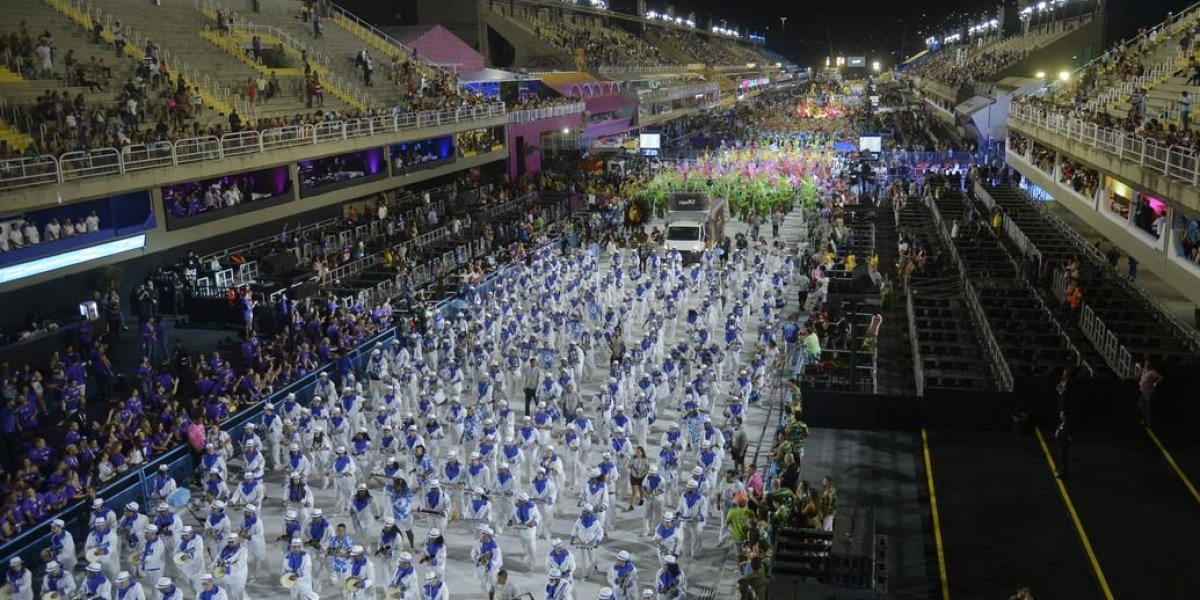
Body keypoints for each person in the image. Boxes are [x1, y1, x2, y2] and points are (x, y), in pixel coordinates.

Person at [471, 527, 503, 600]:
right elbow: (473, 554)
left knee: (493, 584)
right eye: (482, 536)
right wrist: (479, 558)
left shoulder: (495, 547)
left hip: (492, 570)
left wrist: (490, 563)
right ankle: (486, 595)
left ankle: (493, 597)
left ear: (489, 537)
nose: (482, 538)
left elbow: (499, 560)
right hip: (482, 568)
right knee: (483, 585)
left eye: (484, 536)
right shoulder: (477, 543)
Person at [1137, 360, 1163, 427]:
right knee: (1141, 405)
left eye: (1148, 364)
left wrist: (1155, 383)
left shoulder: (1152, 372)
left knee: (1149, 407)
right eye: (1146, 364)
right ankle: (1146, 419)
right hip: (1143, 391)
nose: (1147, 365)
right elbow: (1140, 375)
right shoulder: (1144, 370)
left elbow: (1160, 377)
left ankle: (1151, 422)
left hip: (1149, 391)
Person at [1054, 411, 1071, 479]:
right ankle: (1060, 469)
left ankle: (1063, 473)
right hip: (1060, 443)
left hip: (1063, 444)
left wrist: (1066, 444)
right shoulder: (1062, 423)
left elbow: (1068, 436)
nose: (1060, 415)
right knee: (1060, 457)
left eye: (1061, 414)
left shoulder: (1066, 425)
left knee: (1063, 458)